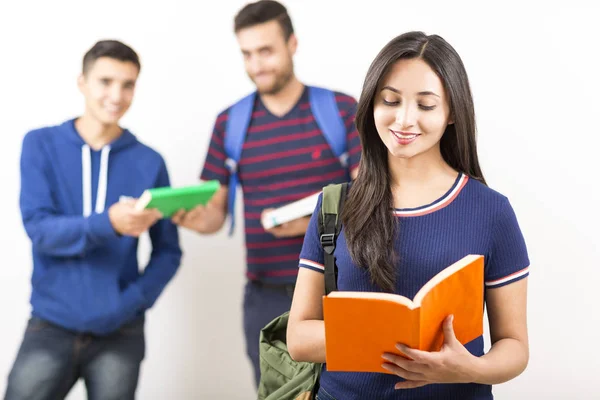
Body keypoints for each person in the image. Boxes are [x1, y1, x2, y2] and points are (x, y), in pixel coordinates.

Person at [287, 31, 530, 399]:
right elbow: (299, 338)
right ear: (372, 104)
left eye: (426, 105)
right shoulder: (336, 205)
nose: (404, 120)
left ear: (451, 113)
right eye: (390, 100)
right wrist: (394, 338)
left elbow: (514, 345)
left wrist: (467, 369)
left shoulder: (491, 211)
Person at [172, 0, 361, 388]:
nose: (257, 64)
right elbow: (214, 216)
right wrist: (185, 216)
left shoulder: (341, 110)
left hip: (339, 292)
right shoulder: (230, 123)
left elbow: (376, 198)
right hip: (265, 297)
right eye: (247, 54)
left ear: (292, 44)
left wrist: (310, 225)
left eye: (267, 51)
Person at [5, 40, 182, 400]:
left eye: (128, 84)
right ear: (82, 82)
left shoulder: (150, 161)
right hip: (51, 324)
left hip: (121, 332)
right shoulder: (40, 144)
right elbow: (39, 230)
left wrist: (131, 302)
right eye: (105, 81)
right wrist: (110, 224)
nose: (116, 95)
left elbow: (169, 252)